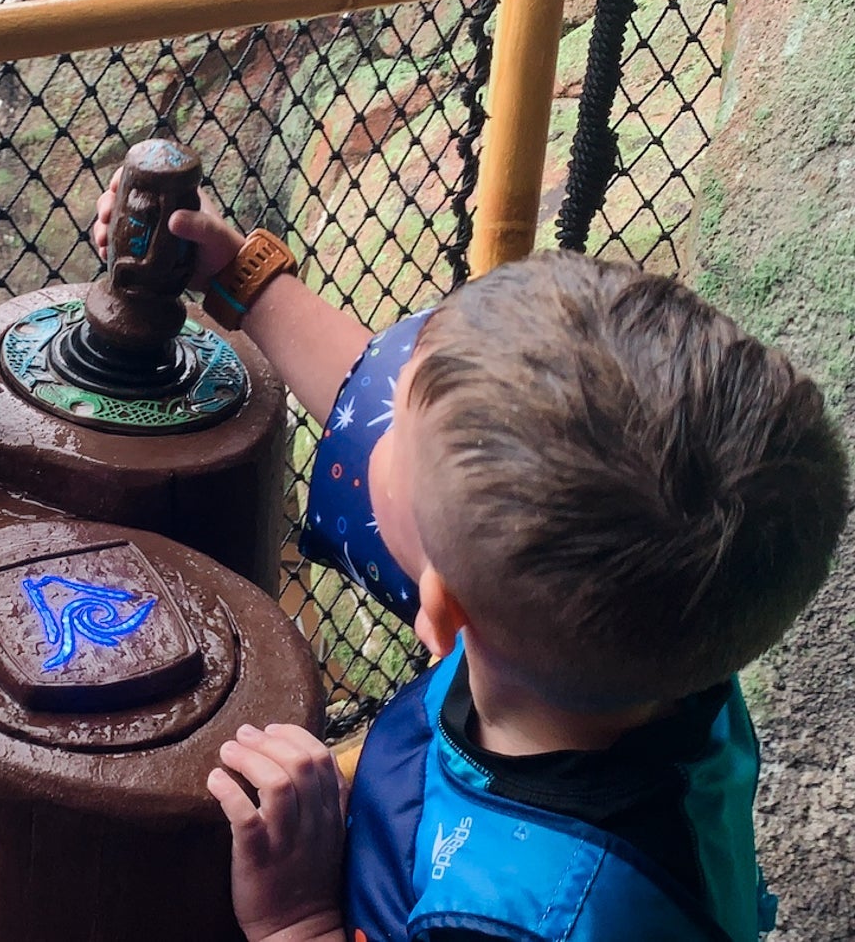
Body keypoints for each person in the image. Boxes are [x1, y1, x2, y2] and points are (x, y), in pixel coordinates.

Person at [91, 183, 849, 942]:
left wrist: (298, 914)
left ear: (440, 614)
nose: (372, 422)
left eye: (393, 437)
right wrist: (242, 278)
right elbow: (373, 404)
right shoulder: (660, 630)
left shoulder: (521, 923)